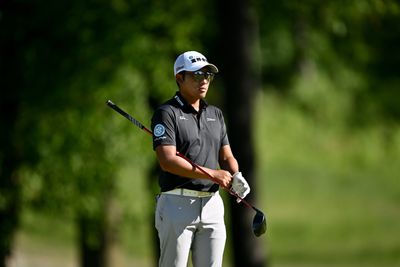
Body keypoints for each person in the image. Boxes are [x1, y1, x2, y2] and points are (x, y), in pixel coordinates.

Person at [151, 51, 251, 267]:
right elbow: (167, 160)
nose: (204, 80)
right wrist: (213, 174)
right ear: (180, 78)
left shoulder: (215, 114)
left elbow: (226, 156)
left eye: (207, 75)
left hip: (212, 204)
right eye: (196, 76)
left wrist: (236, 175)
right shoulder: (166, 113)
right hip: (176, 203)